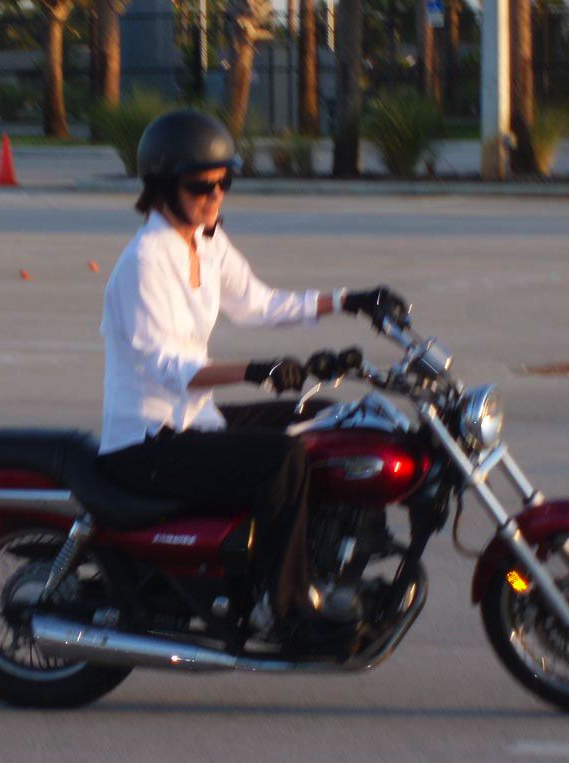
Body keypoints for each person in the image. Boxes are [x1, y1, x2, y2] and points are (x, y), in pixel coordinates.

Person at [97, 109, 407, 651]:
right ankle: (283, 612)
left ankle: (342, 557)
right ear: (163, 188)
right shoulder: (146, 261)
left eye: (224, 183)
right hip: (147, 442)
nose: (215, 195)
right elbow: (169, 368)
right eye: (201, 186)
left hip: (194, 420)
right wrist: (256, 372)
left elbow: (260, 303)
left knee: (328, 419)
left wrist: (349, 300)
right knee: (282, 460)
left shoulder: (205, 240)